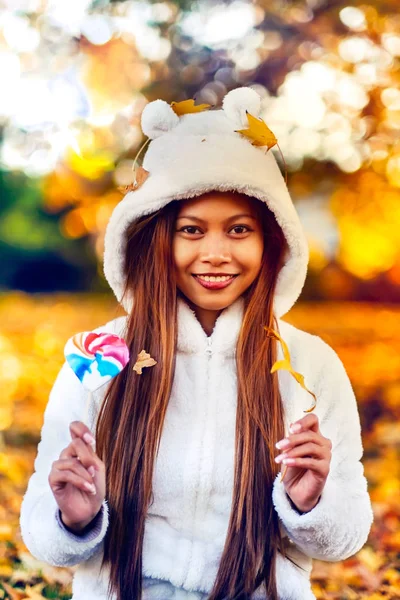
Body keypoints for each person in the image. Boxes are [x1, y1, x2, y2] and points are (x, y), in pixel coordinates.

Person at [19, 87, 373, 600]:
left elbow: (346, 536)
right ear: (155, 236)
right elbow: (42, 529)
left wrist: (311, 503)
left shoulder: (308, 364)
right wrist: (74, 518)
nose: (215, 253)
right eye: (190, 229)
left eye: (238, 229)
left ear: (270, 240)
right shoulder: (99, 354)